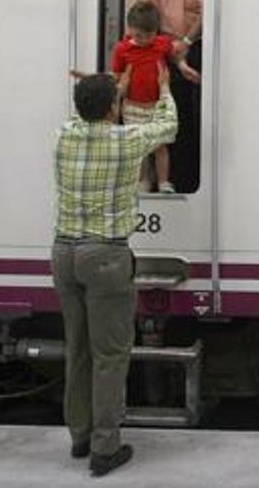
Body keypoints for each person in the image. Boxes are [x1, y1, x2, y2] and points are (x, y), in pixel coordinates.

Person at [51, 67, 177, 478]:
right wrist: (162, 89)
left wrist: (99, 89)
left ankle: (80, 436)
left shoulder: (63, 137)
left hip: (64, 253)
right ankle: (105, 448)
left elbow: (85, 113)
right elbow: (168, 125)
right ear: (113, 109)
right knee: (110, 354)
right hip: (104, 257)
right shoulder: (127, 142)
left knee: (79, 347)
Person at [140, 0, 203, 193]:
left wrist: (187, 43)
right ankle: (172, 180)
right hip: (166, 47)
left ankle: (194, 178)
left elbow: (206, 10)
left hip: (198, 43)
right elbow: (148, 13)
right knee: (171, 117)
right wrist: (169, 50)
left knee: (200, 115)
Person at [112, 0, 200, 194]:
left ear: (156, 31)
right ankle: (144, 180)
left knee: (161, 146)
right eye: (139, 36)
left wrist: (183, 67)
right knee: (141, 148)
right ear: (130, 30)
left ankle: (163, 181)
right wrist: (118, 88)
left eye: (150, 35)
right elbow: (117, 75)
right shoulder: (122, 49)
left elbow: (175, 56)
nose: (144, 40)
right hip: (133, 106)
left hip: (157, 105)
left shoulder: (161, 43)